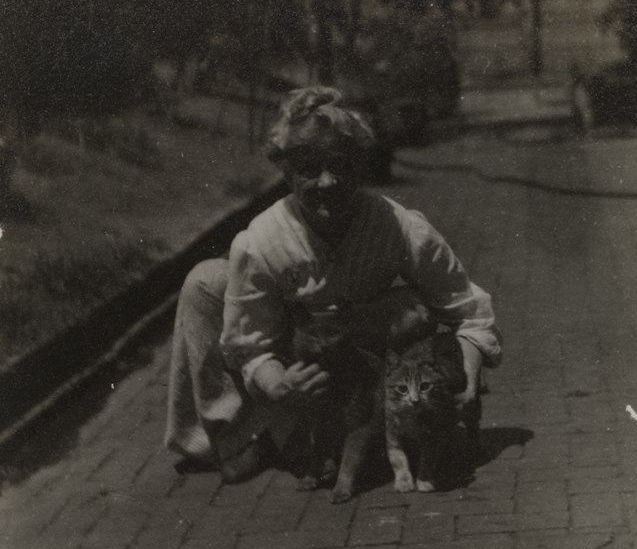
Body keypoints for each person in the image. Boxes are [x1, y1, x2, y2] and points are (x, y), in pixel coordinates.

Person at [164, 86, 502, 480]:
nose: (327, 182)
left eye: (340, 166)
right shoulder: (260, 242)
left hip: (367, 358)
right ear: (287, 173)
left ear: (360, 166)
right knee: (205, 282)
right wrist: (278, 386)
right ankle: (248, 436)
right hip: (300, 357)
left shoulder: (399, 227)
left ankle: (366, 433)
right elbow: (248, 346)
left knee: (416, 310)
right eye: (309, 168)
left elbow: (469, 311)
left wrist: (469, 383)